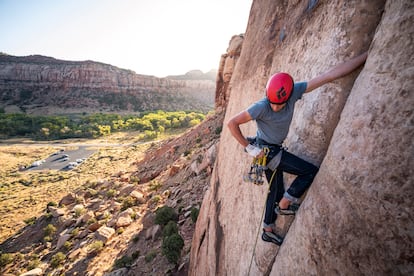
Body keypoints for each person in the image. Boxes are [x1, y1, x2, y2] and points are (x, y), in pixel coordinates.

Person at [227, 52, 368, 245]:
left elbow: (329, 76)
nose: (276, 108)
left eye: (280, 104)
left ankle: (267, 228)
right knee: (309, 171)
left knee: (274, 191)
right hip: (267, 152)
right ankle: (285, 205)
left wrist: (366, 55)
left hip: (269, 151)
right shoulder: (261, 106)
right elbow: (232, 123)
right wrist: (249, 147)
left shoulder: (293, 92)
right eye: (273, 104)